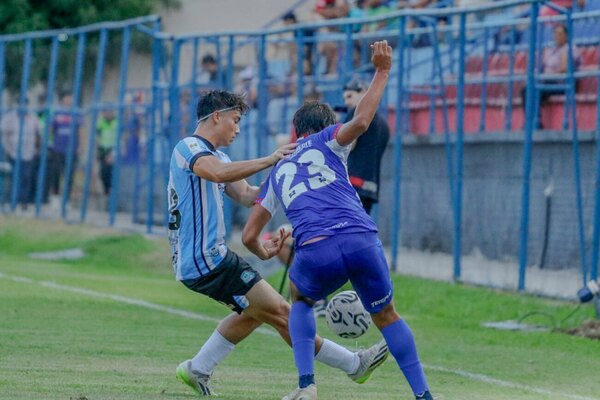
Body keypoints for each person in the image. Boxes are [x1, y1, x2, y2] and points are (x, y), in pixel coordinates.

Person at [242, 41, 434, 400]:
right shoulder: (331, 140)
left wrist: (266, 250)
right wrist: (382, 70)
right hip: (361, 237)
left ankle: (307, 386)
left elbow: (249, 234)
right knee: (388, 315)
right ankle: (423, 395)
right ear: (328, 126)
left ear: (295, 132)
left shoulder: (277, 169)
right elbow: (362, 120)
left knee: (299, 301)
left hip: (316, 248)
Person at [169, 89, 389, 397]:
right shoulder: (189, 147)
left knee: (255, 312)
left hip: (209, 257)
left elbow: (247, 195)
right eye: (235, 120)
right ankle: (353, 364)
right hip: (205, 259)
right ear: (216, 117)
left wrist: (293, 184)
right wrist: (271, 159)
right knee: (283, 312)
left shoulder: (219, 156)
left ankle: (197, 369)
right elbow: (217, 175)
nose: (238, 128)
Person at [342, 77, 390, 215]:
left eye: (349, 96)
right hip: (370, 186)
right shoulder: (383, 123)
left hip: (352, 184)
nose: (347, 102)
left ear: (363, 91)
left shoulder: (356, 114)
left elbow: (346, 145)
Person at [520, 24, 580, 128]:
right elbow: (542, 66)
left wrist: (549, 75)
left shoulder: (570, 48)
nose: (557, 36)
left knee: (534, 89)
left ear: (566, 35)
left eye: (560, 34)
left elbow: (565, 68)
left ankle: (535, 122)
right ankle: (533, 121)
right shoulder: (551, 50)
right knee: (527, 89)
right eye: (555, 34)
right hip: (547, 81)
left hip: (562, 83)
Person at [1, 101, 41, 209]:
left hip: (28, 153)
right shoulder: (9, 117)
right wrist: (7, 149)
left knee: (26, 177)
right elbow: (4, 134)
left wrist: (38, 148)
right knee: (13, 177)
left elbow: (38, 133)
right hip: (12, 152)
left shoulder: (33, 117)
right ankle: (11, 201)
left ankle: (23, 202)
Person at [47, 91, 81, 205]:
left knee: (70, 175)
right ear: (63, 101)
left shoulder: (76, 113)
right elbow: (51, 129)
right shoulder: (57, 113)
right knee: (56, 173)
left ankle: (66, 199)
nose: (69, 102)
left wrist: (81, 146)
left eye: (71, 99)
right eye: (67, 99)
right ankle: (55, 197)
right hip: (58, 148)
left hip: (72, 149)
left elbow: (81, 130)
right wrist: (49, 142)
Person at [96, 109, 118, 195]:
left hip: (114, 149)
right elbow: (97, 137)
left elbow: (122, 135)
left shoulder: (117, 122)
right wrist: (97, 151)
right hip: (103, 149)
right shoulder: (101, 122)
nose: (108, 114)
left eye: (109, 112)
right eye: (106, 112)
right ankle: (107, 191)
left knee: (111, 171)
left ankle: (111, 191)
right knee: (103, 172)